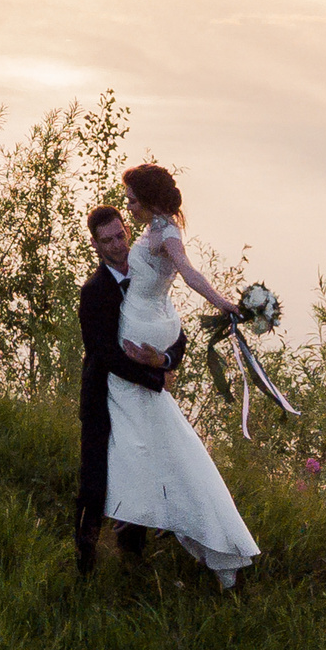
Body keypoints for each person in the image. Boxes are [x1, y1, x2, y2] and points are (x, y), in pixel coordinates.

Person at [102, 163, 261, 588]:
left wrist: (223, 301)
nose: (128, 205)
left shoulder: (167, 233)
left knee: (133, 427)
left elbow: (189, 273)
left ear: (150, 199)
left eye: (132, 198)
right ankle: (144, 514)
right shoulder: (155, 227)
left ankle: (151, 514)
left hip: (143, 326)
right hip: (152, 317)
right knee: (148, 429)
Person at [74, 204, 188, 573]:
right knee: (95, 482)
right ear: (95, 245)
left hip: (140, 400)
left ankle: (132, 560)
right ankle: (84, 561)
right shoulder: (93, 291)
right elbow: (104, 353)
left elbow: (173, 327)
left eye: (120, 236)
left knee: (142, 472)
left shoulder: (147, 273)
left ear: (126, 231)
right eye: (106, 241)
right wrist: (156, 378)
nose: (117, 246)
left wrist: (166, 362)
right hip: (102, 398)